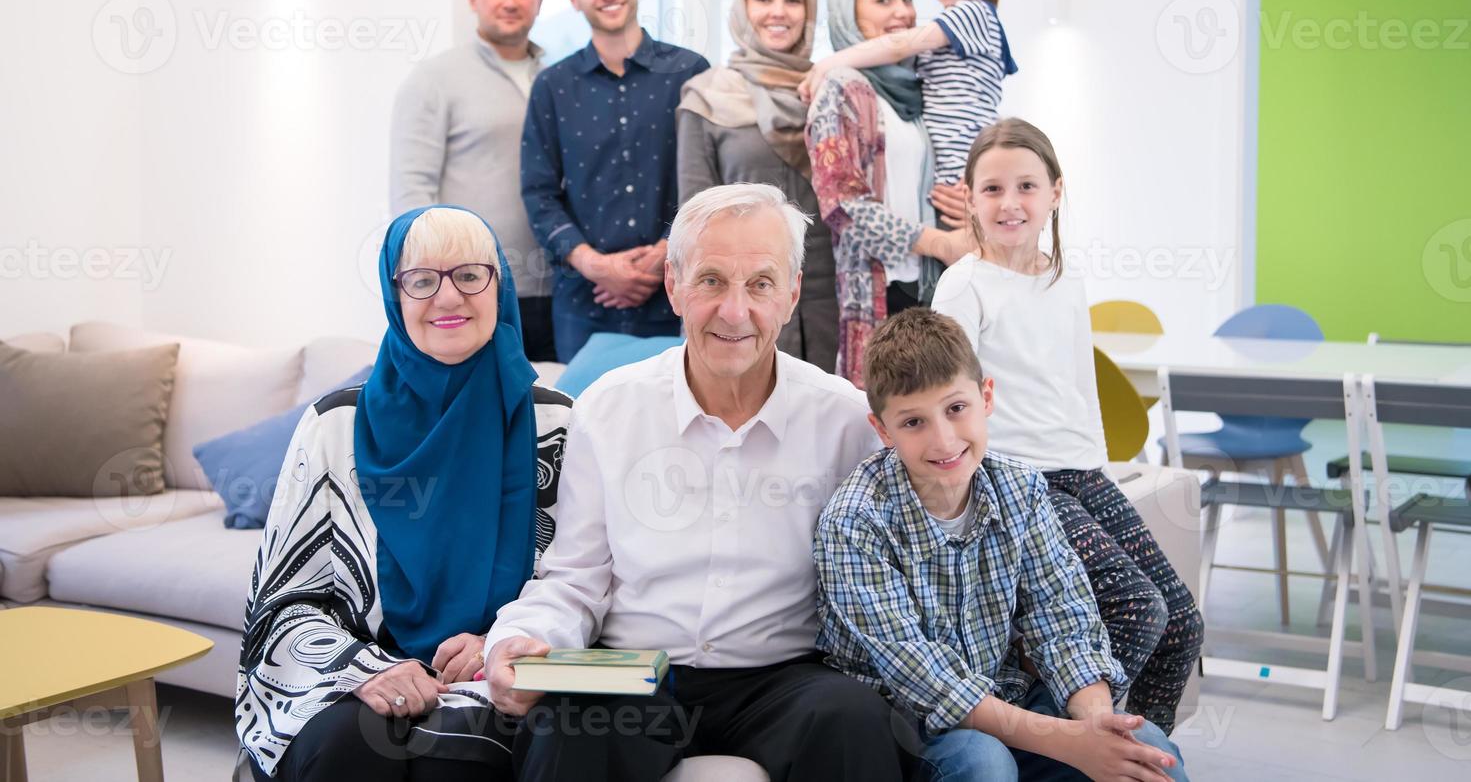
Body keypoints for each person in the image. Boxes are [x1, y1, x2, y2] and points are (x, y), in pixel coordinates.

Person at [483, 183, 910, 782]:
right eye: (711, 280)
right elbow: (574, 580)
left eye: (760, 284)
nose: (735, 312)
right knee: (570, 727)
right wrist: (521, 638)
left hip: (786, 676)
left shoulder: (847, 419)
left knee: (854, 719)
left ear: (790, 296)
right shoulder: (609, 408)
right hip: (632, 671)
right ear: (674, 286)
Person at [236, 206, 573, 781]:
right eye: (421, 280)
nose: (448, 298)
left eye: (470, 275)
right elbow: (283, 604)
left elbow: (589, 580)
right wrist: (362, 670)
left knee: (459, 761)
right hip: (359, 672)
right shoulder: (333, 426)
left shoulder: (558, 426)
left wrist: (501, 639)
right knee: (345, 748)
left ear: (501, 286)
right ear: (395, 296)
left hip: (504, 674)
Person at [815, 308, 1189, 781]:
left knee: (1148, 750)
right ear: (883, 430)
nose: (944, 439)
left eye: (956, 409)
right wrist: (1069, 742)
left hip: (1005, 694)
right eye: (914, 423)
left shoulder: (1022, 490)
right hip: (907, 720)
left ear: (986, 396)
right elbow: (926, 680)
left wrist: (1096, 726)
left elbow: (1064, 618)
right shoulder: (855, 521)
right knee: (984, 766)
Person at [931, 120, 1204, 733]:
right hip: (1019, 483)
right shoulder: (964, 286)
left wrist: (1104, 477)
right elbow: (948, 405)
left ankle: (1138, 750)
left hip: (1081, 472)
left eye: (1026, 186)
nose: (1009, 203)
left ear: (1056, 192)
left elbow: (1082, 389)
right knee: (1138, 612)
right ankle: (1077, 744)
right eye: (992, 188)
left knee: (1183, 624)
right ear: (969, 198)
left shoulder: (1065, 278)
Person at [520, 0, 710, 362]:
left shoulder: (689, 72)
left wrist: (666, 253)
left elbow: (708, 185)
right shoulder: (553, 86)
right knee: (584, 427)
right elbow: (539, 193)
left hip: (677, 294)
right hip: (586, 305)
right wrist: (596, 265)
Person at [805, 0, 975, 386]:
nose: (902, 12)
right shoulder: (841, 87)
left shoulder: (920, 86)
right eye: (883, 1)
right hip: (880, 294)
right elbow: (843, 205)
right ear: (849, 11)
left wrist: (964, 199)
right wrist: (938, 241)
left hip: (935, 288)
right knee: (885, 432)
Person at [390, 0, 556, 360]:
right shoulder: (435, 79)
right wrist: (427, 284)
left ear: (539, 0)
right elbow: (411, 190)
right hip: (472, 291)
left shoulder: (559, 77)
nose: (510, 1)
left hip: (558, 288)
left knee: (552, 415)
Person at [800, 0, 1018, 222]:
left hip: (961, 169)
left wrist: (833, 60)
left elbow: (899, 45)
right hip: (952, 177)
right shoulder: (847, 90)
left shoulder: (971, 15)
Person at [677, 0, 838, 371]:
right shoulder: (708, 94)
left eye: (792, 0)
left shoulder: (832, 90)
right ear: (744, 8)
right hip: (740, 304)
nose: (778, 12)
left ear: (809, 11)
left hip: (830, 303)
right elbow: (694, 220)